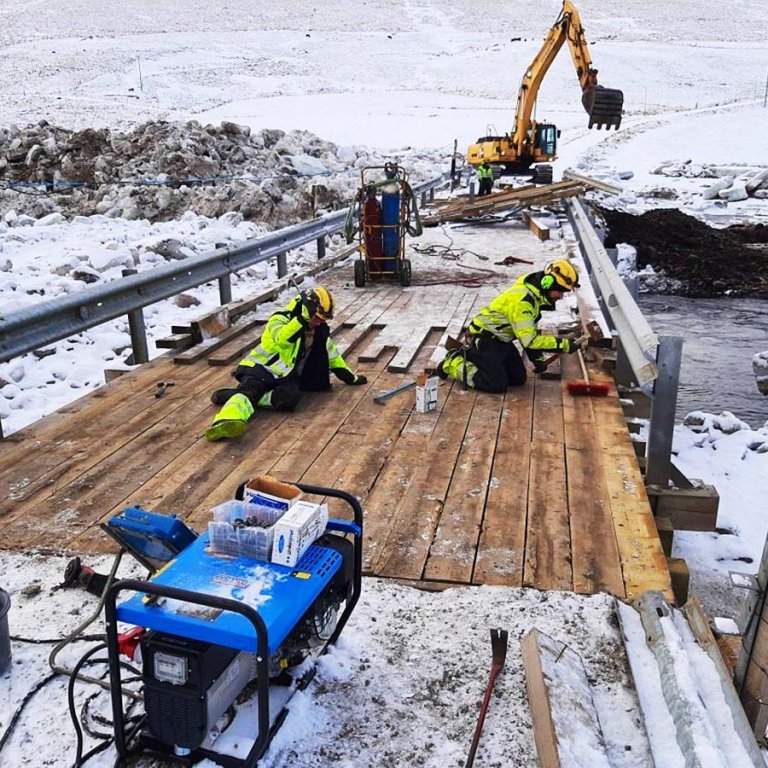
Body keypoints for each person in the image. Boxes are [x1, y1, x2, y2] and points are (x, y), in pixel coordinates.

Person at [205, 286, 367, 441]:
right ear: (307, 310)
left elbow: (332, 355)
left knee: (289, 398)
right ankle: (226, 421)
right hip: (260, 369)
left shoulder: (318, 331)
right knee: (249, 391)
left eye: (323, 319)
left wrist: (350, 378)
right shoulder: (279, 319)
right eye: (317, 318)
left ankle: (235, 395)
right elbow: (282, 339)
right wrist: (301, 321)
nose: (319, 322)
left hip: (285, 376)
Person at [436, 259, 586, 392]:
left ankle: (475, 357)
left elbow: (527, 331)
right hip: (484, 338)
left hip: (501, 339)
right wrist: (564, 345)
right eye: (560, 291)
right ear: (547, 283)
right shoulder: (522, 302)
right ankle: (453, 361)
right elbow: (530, 341)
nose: (561, 296)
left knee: (517, 379)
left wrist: (537, 359)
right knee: (495, 384)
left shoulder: (534, 293)